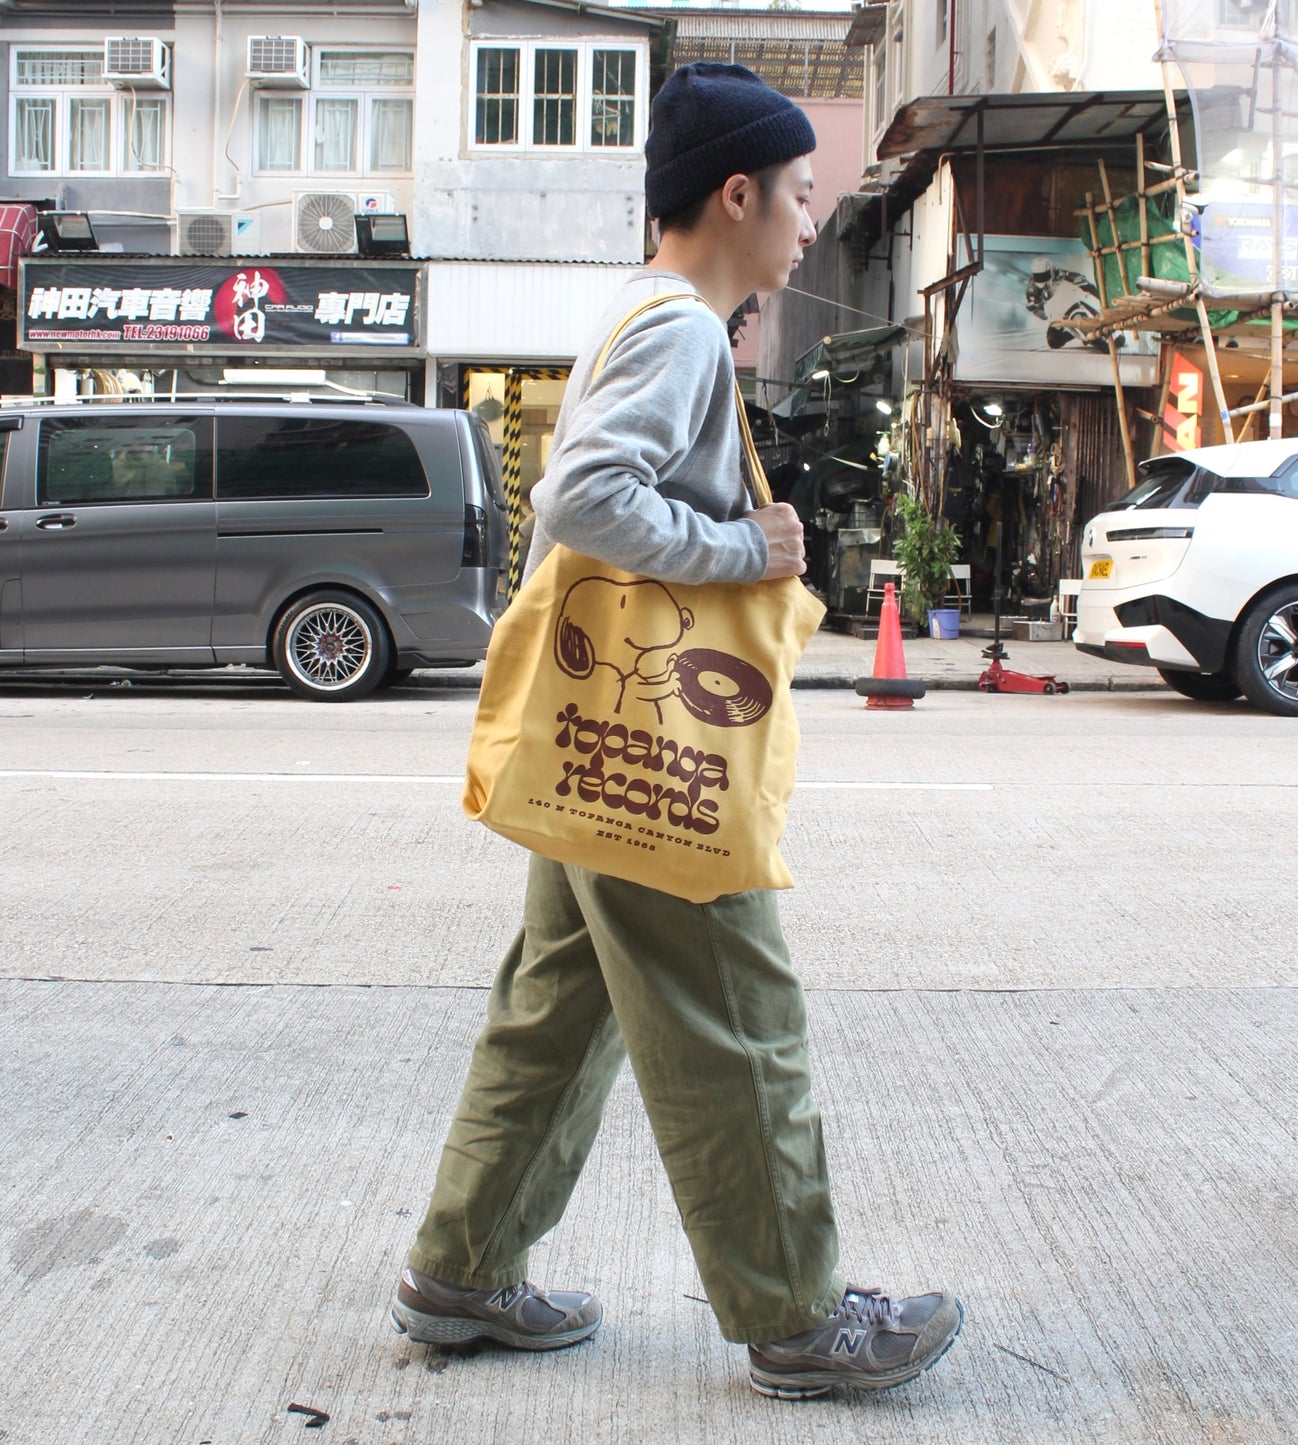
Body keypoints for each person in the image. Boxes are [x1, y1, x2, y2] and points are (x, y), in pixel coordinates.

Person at [389, 62, 964, 1401]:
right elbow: (587, 493)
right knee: (734, 1011)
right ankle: (800, 1314)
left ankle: (461, 1270)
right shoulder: (679, 329)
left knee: (555, 1006)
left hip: (595, 735)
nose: (812, 223)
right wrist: (737, 545)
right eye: (803, 195)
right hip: (651, 740)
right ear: (735, 191)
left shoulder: (634, 316)